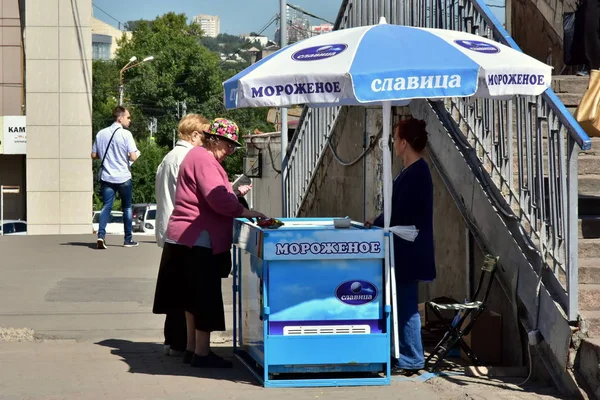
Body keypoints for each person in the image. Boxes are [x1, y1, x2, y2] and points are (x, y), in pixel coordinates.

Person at [152, 118, 265, 368]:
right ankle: (202, 352)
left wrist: (232, 197)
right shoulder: (205, 160)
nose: (231, 152)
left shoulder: (195, 157)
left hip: (185, 238)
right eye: (229, 146)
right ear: (214, 140)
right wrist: (249, 212)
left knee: (191, 300)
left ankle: (192, 348)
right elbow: (218, 200)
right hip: (198, 239)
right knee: (203, 298)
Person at [365, 118, 436, 376]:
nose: (393, 143)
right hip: (404, 245)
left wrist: (380, 221)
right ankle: (403, 353)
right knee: (400, 302)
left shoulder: (418, 172)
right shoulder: (410, 171)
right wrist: (380, 220)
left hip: (409, 248)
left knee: (406, 304)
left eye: (395, 138)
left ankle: (412, 358)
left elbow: (401, 210)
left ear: (404, 143)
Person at [91, 106, 139, 249]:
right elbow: (133, 156)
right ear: (120, 118)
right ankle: (128, 239)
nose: (130, 120)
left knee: (106, 206)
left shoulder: (101, 134)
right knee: (127, 208)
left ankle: (101, 236)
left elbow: (93, 155)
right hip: (123, 177)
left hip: (107, 176)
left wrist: (108, 156)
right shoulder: (126, 135)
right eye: (128, 117)